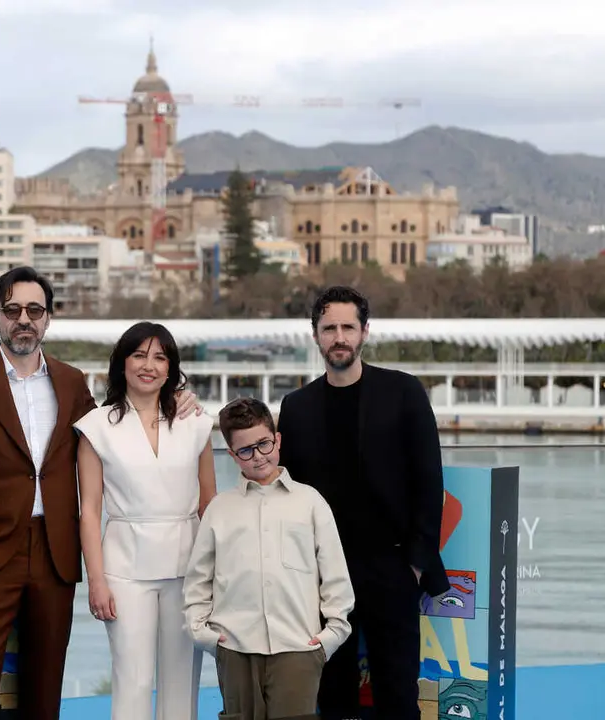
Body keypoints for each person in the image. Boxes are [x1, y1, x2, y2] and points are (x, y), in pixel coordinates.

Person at [0, 266, 201, 720]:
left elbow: (119, 428)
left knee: (46, 685)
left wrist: (179, 398)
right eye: (12, 310)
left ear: (48, 318)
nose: (24, 319)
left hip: (56, 553)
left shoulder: (72, 382)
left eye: (34, 310)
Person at [277, 285, 450, 720]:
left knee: (397, 693)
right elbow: (287, 494)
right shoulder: (296, 407)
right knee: (333, 694)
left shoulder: (404, 392)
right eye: (329, 328)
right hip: (323, 572)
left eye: (348, 327)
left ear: (364, 332)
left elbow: (429, 481)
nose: (339, 337)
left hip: (392, 567)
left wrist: (414, 566)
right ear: (315, 336)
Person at [74, 321, 217, 720]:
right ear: (122, 364)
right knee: (133, 681)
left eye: (159, 357)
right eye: (138, 355)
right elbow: (89, 511)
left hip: (188, 569)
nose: (148, 366)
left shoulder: (196, 422)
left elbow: (209, 504)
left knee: (182, 682)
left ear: (171, 368)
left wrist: (216, 575)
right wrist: (96, 581)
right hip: (124, 571)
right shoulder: (96, 426)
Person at [183, 397, 354, 720]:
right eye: (246, 450)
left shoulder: (311, 502)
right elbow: (198, 580)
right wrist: (204, 635)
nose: (258, 456)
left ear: (277, 440)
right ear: (232, 455)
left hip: (299, 647)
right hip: (234, 648)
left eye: (263, 444)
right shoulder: (219, 509)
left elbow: (335, 577)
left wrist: (329, 638)